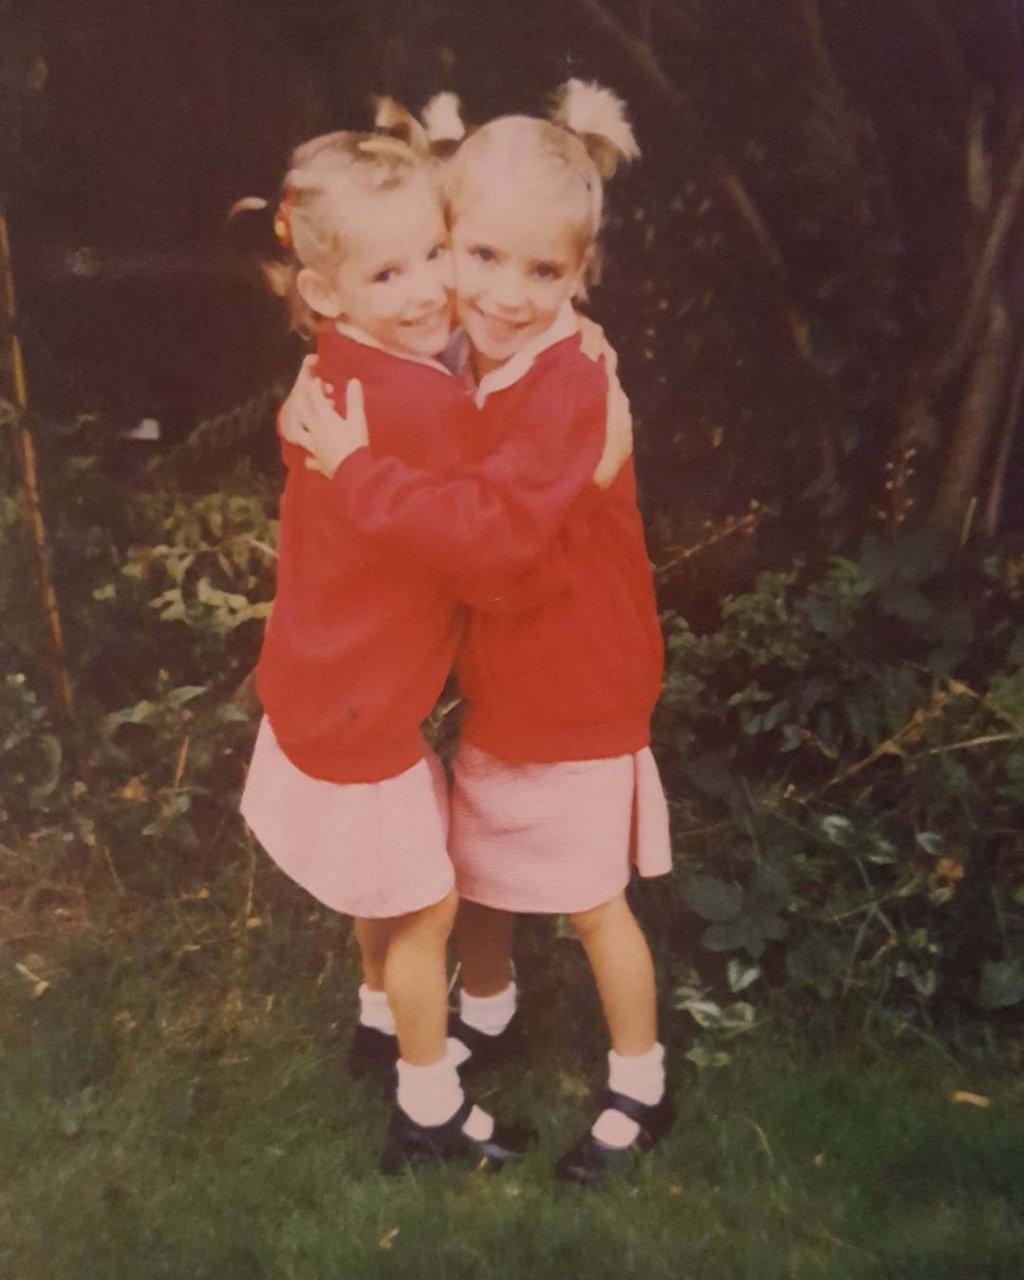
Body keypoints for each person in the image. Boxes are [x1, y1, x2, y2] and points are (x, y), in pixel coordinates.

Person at [284, 81, 673, 1185]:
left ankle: (640, 1084)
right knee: (483, 865)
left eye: (542, 273)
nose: (499, 294)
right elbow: (385, 301)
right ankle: (490, 1013)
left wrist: (355, 472)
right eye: (480, 257)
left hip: (579, 678)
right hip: (506, 674)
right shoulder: (487, 335)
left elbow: (498, 548)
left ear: (580, 275)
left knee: (593, 899)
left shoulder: (565, 384)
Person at [239, 121, 545, 1174]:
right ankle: (427, 1104)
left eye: (431, 253)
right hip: (362, 696)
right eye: (386, 270)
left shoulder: (341, 364)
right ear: (327, 294)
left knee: (387, 871)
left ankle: (377, 1017)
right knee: (426, 904)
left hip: (327, 681)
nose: (424, 289)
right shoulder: (415, 398)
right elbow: (491, 499)